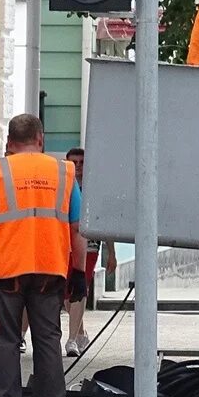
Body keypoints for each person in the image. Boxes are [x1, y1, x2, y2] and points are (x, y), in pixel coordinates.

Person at [0, 114, 84, 397]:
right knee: (48, 341)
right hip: (50, 269)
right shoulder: (64, 173)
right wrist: (78, 272)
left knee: (5, 341)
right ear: (41, 139)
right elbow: (77, 229)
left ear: (9, 143)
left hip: (7, 271)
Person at [63, 147, 115, 357]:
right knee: (67, 294)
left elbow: (105, 222)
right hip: (64, 244)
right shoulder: (62, 187)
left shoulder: (95, 190)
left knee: (80, 287)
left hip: (90, 245)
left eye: (82, 163)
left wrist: (111, 253)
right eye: (73, 163)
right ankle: (81, 332)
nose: (77, 167)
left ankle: (72, 340)